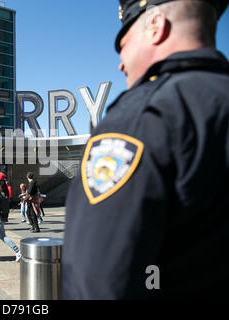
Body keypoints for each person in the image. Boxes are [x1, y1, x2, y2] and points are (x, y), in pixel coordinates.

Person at [63, 0, 229, 299]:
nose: (120, 63)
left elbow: (99, 279)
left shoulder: (141, 118)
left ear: (156, 27)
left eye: (123, 45)